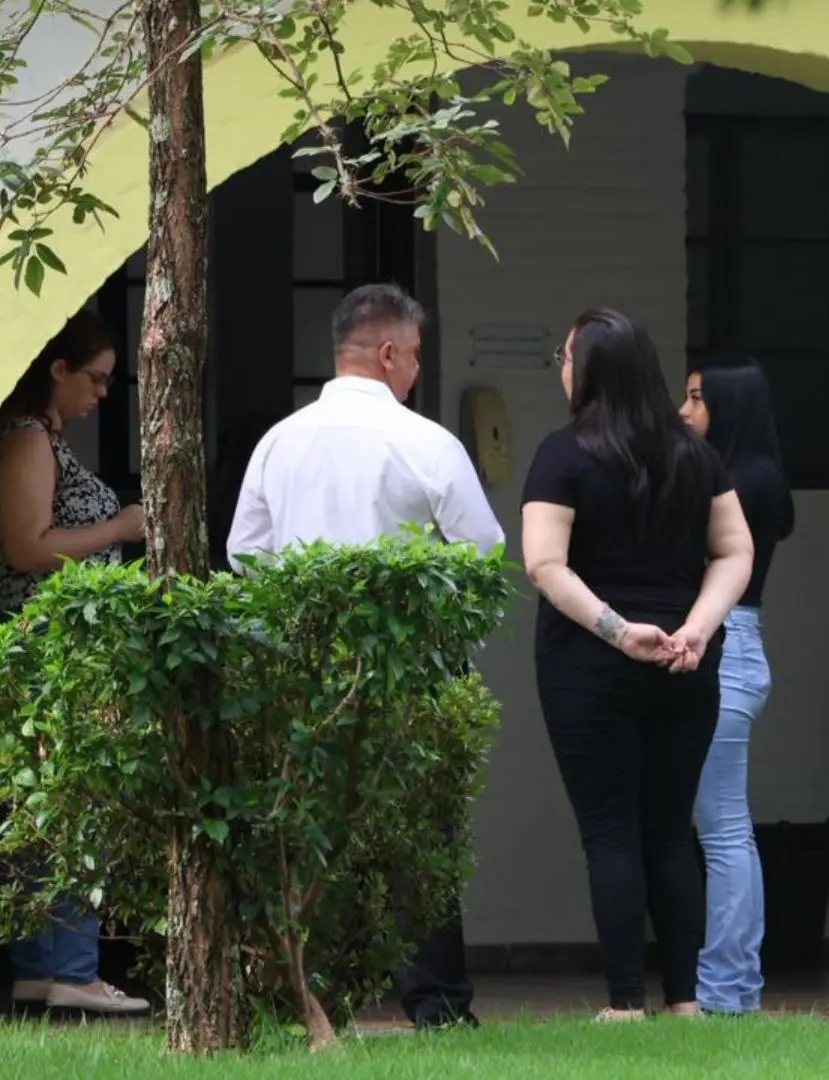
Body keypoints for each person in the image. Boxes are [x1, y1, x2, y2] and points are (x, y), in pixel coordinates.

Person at [226, 283, 505, 1031]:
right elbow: (483, 552)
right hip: (408, 671)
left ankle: (314, 999)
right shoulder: (425, 442)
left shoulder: (279, 442)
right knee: (421, 836)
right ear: (387, 354)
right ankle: (436, 1004)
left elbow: (245, 552)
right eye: (413, 355)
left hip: (307, 672)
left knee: (312, 834)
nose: (415, 370)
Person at [522, 308, 755, 1021]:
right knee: (670, 831)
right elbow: (735, 549)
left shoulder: (562, 456)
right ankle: (684, 1000)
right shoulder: (695, 455)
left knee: (610, 831)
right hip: (685, 667)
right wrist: (697, 629)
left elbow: (543, 564)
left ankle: (625, 1002)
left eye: (565, 357)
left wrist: (618, 631)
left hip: (589, 667)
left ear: (589, 370)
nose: (562, 369)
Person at [0, 308, 149, 1015]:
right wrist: (120, 527)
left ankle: (43, 967)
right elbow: (26, 546)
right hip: (49, 650)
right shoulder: (28, 438)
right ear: (57, 369)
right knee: (74, 804)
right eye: (96, 378)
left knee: (44, 809)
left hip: (45, 644)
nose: (103, 394)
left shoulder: (36, 438)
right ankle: (73, 971)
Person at [679, 354, 795, 1015]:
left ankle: (726, 987)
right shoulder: (755, 474)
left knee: (721, 827)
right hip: (737, 644)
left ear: (727, 405)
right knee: (725, 824)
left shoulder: (742, 480)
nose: (684, 411)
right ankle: (735, 983)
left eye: (697, 398)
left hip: (726, 644)